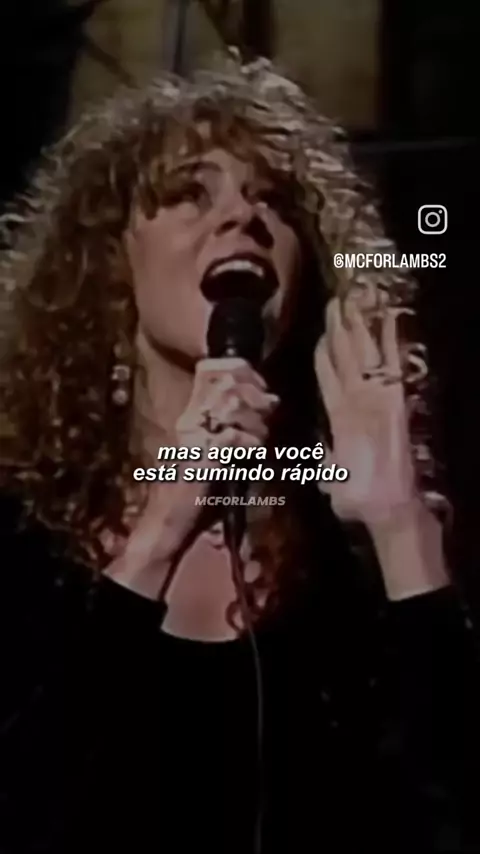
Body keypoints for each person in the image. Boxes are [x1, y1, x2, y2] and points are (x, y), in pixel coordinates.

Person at [0, 56, 479, 854]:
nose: (243, 219)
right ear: (111, 260)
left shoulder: (350, 556)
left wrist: (403, 534)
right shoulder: (19, 533)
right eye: (191, 193)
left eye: (274, 202)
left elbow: (453, 815)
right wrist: (158, 532)